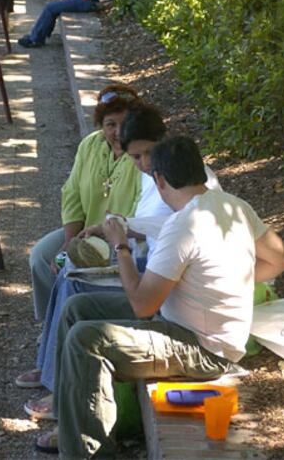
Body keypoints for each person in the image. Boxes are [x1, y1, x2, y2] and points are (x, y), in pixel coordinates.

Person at [35, 135, 284, 457]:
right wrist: (234, 281)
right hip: (191, 326)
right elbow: (282, 259)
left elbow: (142, 305)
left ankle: (87, 453)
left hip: (202, 348)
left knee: (86, 340)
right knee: (77, 308)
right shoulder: (234, 206)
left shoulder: (183, 225)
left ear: (158, 180)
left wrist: (121, 246)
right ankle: (70, 419)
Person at [18, 104, 222, 417]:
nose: (143, 163)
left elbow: (146, 298)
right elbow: (160, 227)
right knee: (68, 274)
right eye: (135, 157)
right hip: (156, 271)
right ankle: (53, 376)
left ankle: (63, 393)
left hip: (168, 293)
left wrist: (121, 245)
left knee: (77, 290)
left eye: (148, 153)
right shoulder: (153, 176)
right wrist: (120, 231)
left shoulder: (183, 184)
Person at [27, 84, 142, 327]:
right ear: (101, 125)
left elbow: (140, 213)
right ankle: (50, 323)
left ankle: (71, 326)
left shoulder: (141, 155)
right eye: (111, 124)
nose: (119, 132)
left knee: (69, 268)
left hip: (121, 239)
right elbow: (72, 193)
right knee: (42, 257)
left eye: (126, 123)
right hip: (83, 232)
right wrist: (69, 242)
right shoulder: (90, 145)